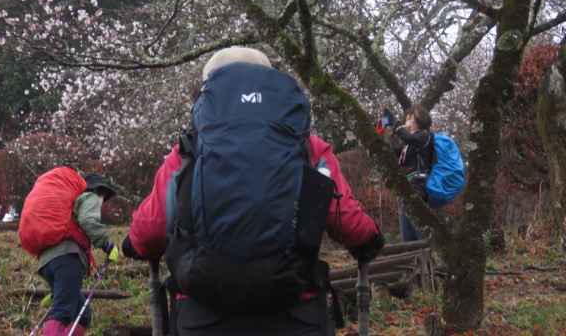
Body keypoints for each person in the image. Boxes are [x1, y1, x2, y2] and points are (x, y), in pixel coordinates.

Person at [122, 47, 384, 336]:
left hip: (203, 316)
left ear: (206, 94)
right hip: (294, 311)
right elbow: (346, 220)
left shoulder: (187, 152)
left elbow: (149, 232)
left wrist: (133, 246)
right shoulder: (307, 147)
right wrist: (370, 237)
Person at [38, 172, 120, 336]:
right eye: (102, 194)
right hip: (67, 259)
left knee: (83, 316)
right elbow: (88, 221)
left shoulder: (69, 204)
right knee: (62, 313)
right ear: (96, 190)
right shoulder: (89, 197)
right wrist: (106, 245)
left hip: (47, 262)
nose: (102, 199)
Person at [383, 104, 435, 242]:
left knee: (417, 226)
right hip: (409, 184)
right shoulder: (410, 143)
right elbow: (394, 152)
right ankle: (412, 260)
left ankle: (426, 258)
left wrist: (395, 123)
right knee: (407, 232)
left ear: (420, 120)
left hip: (418, 184)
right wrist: (391, 135)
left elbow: (408, 138)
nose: (406, 121)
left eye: (410, 118)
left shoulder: (424, 135)